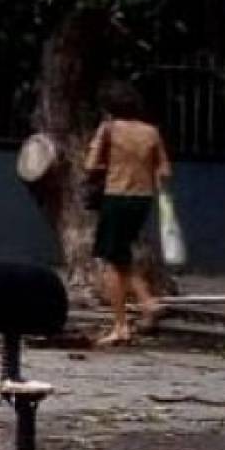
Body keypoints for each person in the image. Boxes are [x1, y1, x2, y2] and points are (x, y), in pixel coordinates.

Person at [85, 80, 171, 347]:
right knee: (121, 254)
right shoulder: (151, 132)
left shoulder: (109, 129)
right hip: (142, 199)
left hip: (116, 196)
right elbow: (165, 171)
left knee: (111, 260)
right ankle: (146, 301)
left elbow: (90, 165)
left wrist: (107, 165)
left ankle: (121, 324)